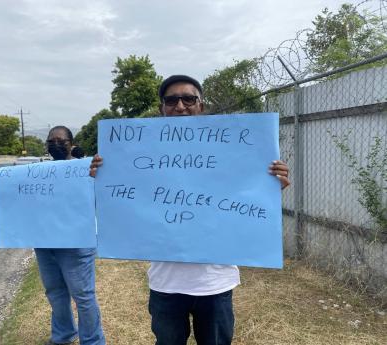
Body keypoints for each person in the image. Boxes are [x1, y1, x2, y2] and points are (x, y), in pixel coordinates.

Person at [90, 75, 290, 345]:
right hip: (166, 284)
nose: (180, 106)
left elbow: (244, 198)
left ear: (201, 106)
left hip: (216, 283)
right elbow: (123, 200)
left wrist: (271, 186)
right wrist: (104, 177)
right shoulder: (136, 152)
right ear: (162, 108)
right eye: (171, 100)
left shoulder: (233, 149)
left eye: (189, 99)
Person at [36, 125, 105, 345]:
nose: (55, 143)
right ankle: (63, 335)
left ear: (71, 144)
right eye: (51, 140)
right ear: (46, 146)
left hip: (76, 243)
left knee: (83, 296)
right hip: (45, 243)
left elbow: (99, 199)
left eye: (61, 140)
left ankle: (93, 341)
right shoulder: (36, 174)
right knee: (55, 292)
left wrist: (94, 175)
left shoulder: (85, 169)